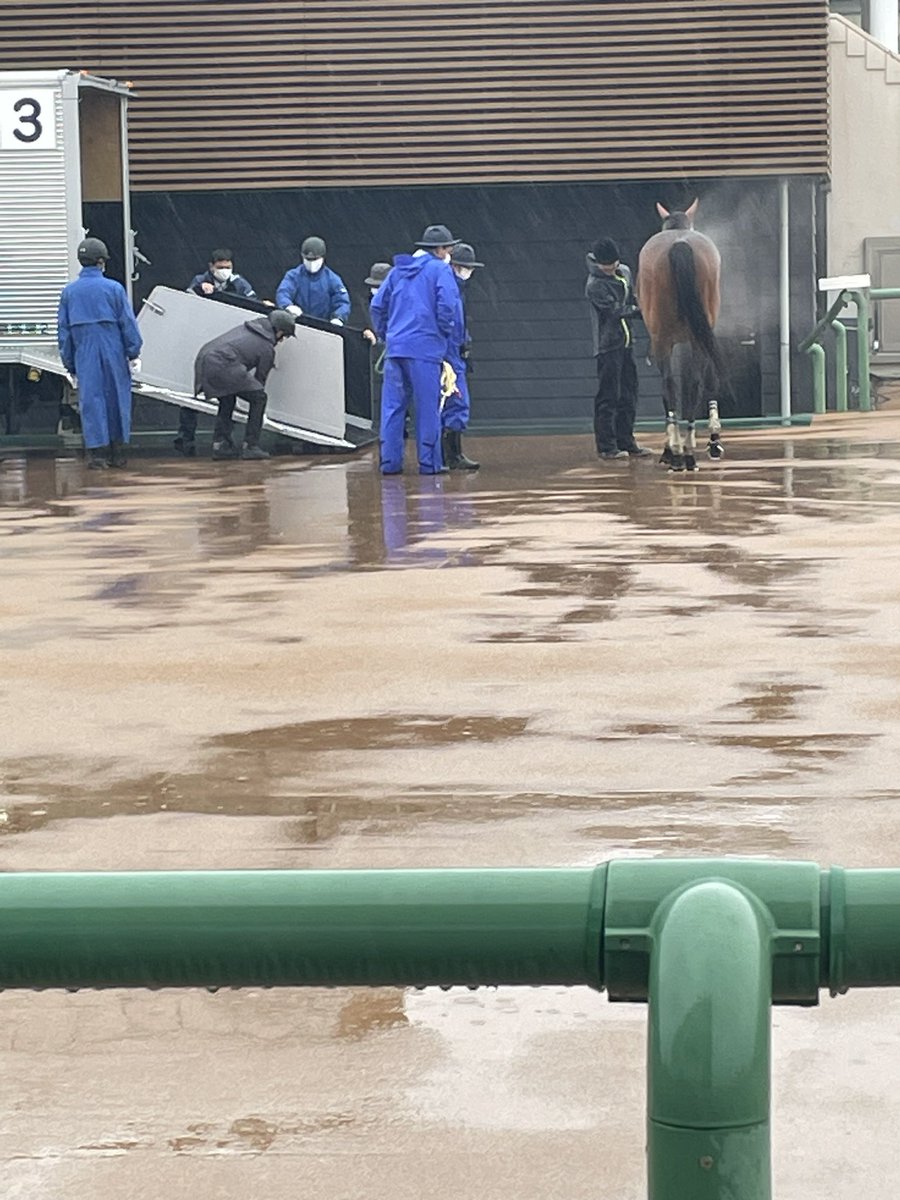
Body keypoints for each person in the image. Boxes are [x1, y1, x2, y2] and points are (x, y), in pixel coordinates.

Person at [369, 224, 463, 475]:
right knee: (428, 407)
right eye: (448, 248)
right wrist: (443, 334)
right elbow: (448, 307)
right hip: (425, 349)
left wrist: (386, 334)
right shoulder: (440, 272)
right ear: (440, 250)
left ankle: (390, 464)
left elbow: (377, 305)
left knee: (392, 408)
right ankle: (429, 464)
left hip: (395, 349)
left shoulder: (398, 271)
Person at [57, 237, 143, 470]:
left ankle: (97, 456)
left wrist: (70, 365)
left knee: (92, 400)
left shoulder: (69, 293)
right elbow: (127, 323)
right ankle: (117, 453)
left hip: (84, 352)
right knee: (116, 397)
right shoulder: (114, 288)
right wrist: (133, 352)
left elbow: (64, 332)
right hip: (112, 348)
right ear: (101, 262)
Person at [176, 249, 258, 456]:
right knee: (190, 395)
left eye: (228, 267)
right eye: (220, 267)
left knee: (227, 396)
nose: (224, 271)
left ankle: (224, 440)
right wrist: (198, 289)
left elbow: (253, 304)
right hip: (202, 341)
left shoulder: (240, 284)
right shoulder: (200, 280)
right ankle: (185, 438)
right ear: (211, 267)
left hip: (229, 348)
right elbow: (185, 302)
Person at [193, 308, 296, 461]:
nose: (281, 340)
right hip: (223, 363)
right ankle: (251, 446)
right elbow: (260, 379)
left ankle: (221, 445)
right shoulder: (266, 346)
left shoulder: (248, 328)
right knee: (259, 398)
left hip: (205, 359)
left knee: (227, 398)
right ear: (279, 331)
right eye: (284, 336)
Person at [585, 236, 651, 460]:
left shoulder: (624, 272)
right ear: (598, 262)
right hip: (607, 347)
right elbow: (615, 311)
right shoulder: (594, 286)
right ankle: (606, 446)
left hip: (626, 344)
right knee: (609, 397)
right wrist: (644, 311)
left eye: (614, 263)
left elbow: (631, 296)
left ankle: (627, 440)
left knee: (629, 393)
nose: (612, 268)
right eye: (607, 265)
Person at [442, 242, 483, 471]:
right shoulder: (450, 287)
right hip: (449, 354)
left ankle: (449, 454)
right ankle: (452, 455)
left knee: (452, 403)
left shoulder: (456, 288)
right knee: (457, 403)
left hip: (455, 351)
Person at [275, 236, 351, 324]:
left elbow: (343, 302)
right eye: (308, 259)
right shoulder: (293, 276)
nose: (311, 263)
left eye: (315, 259)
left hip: (323, 327)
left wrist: (339, 317)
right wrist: (287, 306)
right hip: (297, 323)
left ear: (323, 257)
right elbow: (283, 292)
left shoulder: (332, 279)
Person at [362, 262, 392, 344]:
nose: (376, 290)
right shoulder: (365, 302)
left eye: (380, 287)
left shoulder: (400, 304)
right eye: (373, 286)